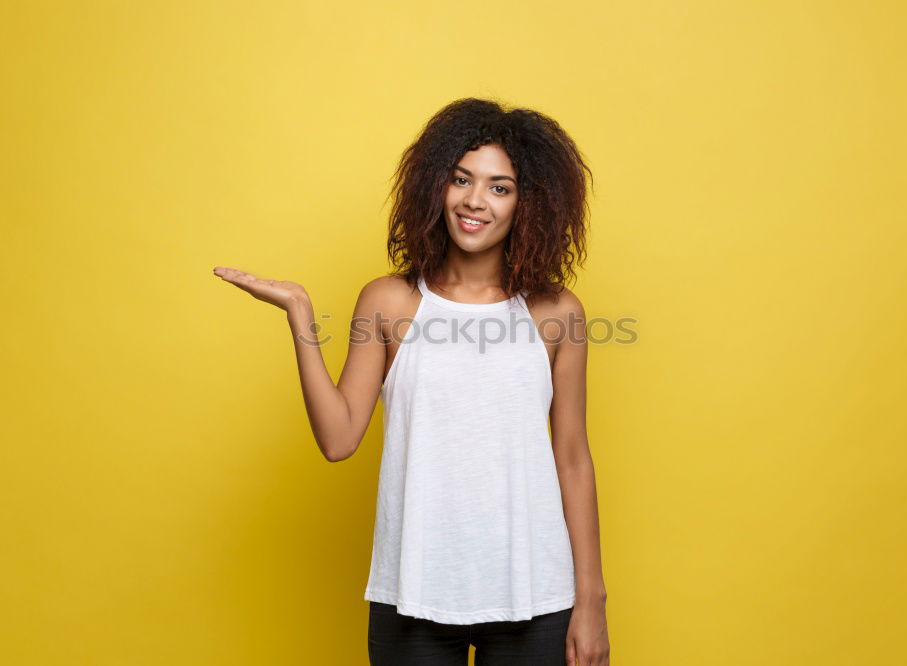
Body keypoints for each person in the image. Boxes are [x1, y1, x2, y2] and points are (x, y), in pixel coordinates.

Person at [213, 97, 610, 665]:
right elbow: (338, 438)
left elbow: (572, 457)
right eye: (461, 180)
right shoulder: (389, 301)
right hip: (414, 591)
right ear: (435, 186)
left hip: (537, 592)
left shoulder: (557, 313)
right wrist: (301, 315)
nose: (475, 201)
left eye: (501, 187)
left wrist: (591, 600)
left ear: (531, 203)